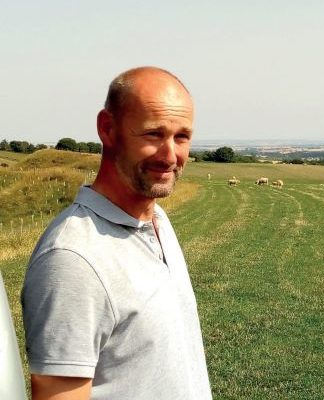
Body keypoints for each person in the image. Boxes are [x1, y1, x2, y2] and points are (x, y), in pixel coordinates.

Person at [21, 67, 212, 399]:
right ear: (108, 129)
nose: (170, 156)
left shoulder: (158, 221)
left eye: (181, 137)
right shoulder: (72, 259)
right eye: (154, 134)